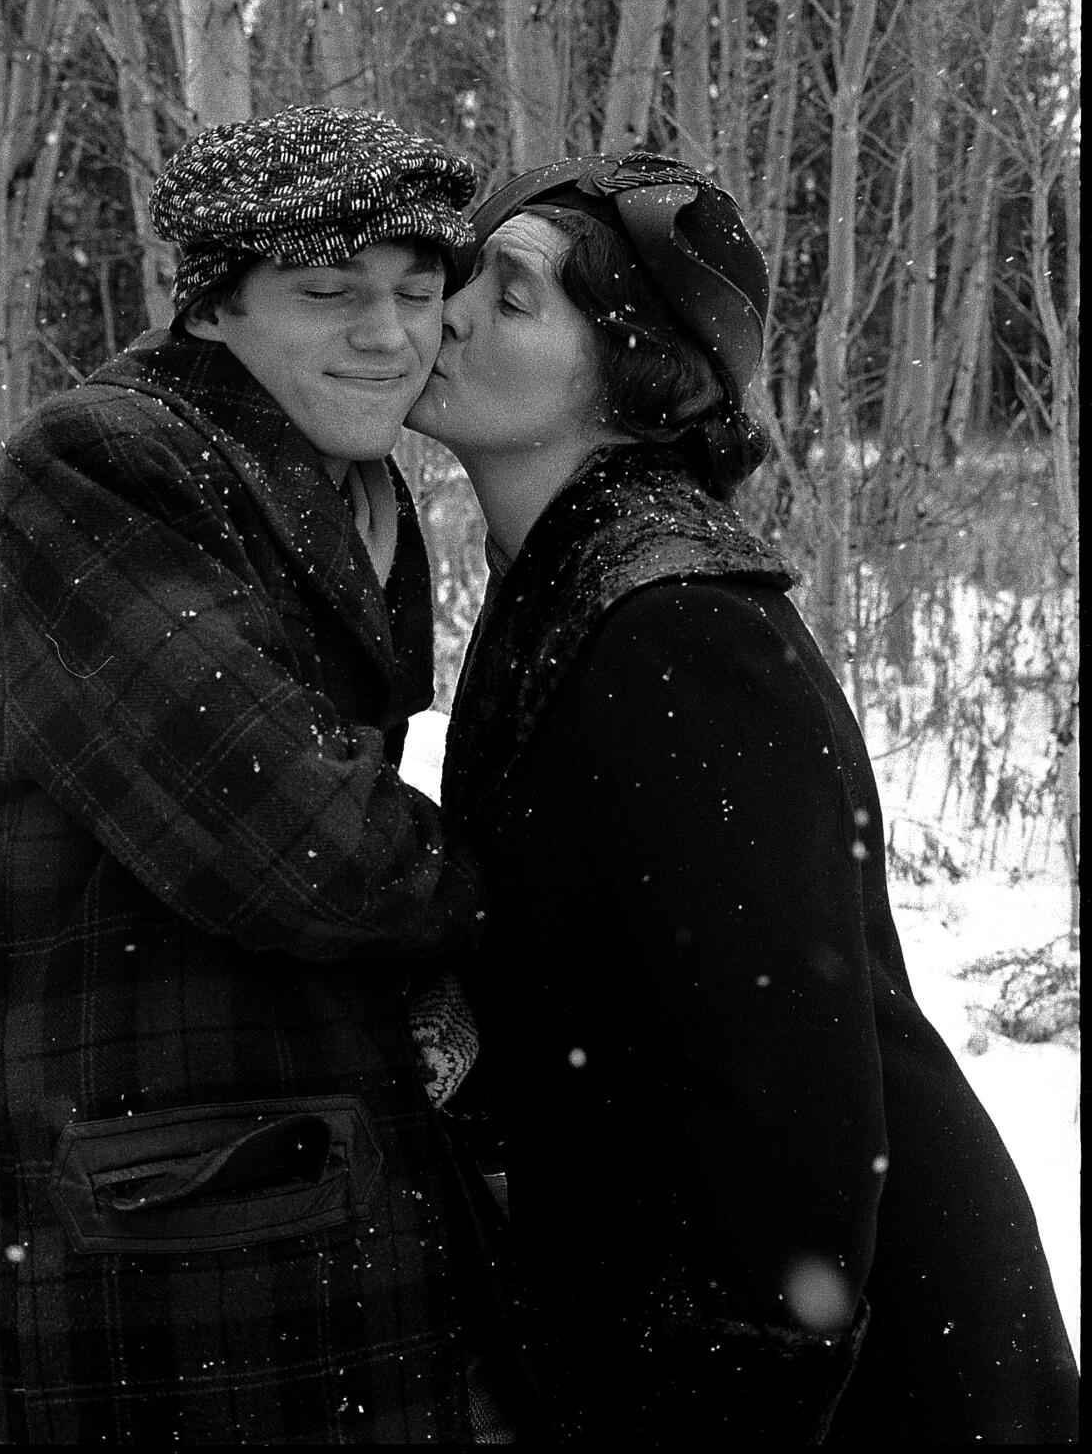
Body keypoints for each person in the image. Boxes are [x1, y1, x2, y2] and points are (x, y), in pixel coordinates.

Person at [407, 151, 1080, 1445]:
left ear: (634, 371)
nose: (449, 309)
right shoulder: (573, 586)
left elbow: (793, 1104)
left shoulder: (679, 633)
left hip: (870, 1364)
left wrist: (724, 1401)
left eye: (513, 292)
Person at [0, 105, 524, 1445]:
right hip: (155, 1202)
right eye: (328, 293)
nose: (388, 334)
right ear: (213, 309)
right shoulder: (102, 463)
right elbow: (294, 843)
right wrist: (518, 891)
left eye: (419, 294)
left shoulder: (350, 477)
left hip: (299, 1177)